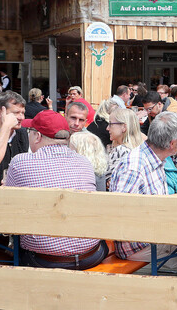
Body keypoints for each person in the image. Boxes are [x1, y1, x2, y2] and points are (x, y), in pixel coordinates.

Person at [110, 112, 177, 277]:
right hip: (140, 244)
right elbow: (120, 216)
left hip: (155, 235)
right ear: (172, 143)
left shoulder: (153, 156)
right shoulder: (134, 167)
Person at [6, 110, 108, 269]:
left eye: (30, 133)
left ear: (37, 136)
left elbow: (8, 206)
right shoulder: (84, 162)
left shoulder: (20, 162)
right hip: (92, 254)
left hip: (46, 259)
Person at [105, 108, 145, 189]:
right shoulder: (142, 148)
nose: (107, 128)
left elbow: (109, 184)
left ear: (124, 127)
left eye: (110, 124)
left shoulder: (120, 150)